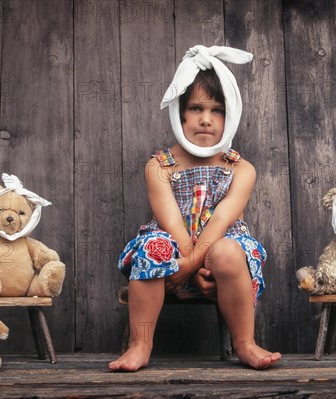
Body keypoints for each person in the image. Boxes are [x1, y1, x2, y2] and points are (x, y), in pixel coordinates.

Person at [109, 45, 281, 371]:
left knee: (228, 250)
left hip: (219, 266)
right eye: (196, 108)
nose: (205, 119)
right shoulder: (160, 167)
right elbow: (172, 222)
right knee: (153, 246)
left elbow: (220, 220)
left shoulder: (241, 169)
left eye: (217, 110)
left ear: (230, 115)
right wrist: (182, 263)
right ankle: (140, 344)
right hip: (173, 259)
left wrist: (190, 268)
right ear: (180, 113)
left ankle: (245, 343)